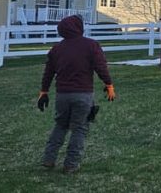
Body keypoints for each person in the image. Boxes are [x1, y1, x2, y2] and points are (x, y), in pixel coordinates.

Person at [38, 15, 115, 173]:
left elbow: (48, 73)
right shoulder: (91, 45)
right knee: (79, 129)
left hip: (62, 95)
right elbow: (101, 67)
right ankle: (71, 165)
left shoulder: (56, 49)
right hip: (83, 94)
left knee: (60, 125)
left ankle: (48, 159)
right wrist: (109, 84)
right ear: (79, 28)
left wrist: (44, 91)